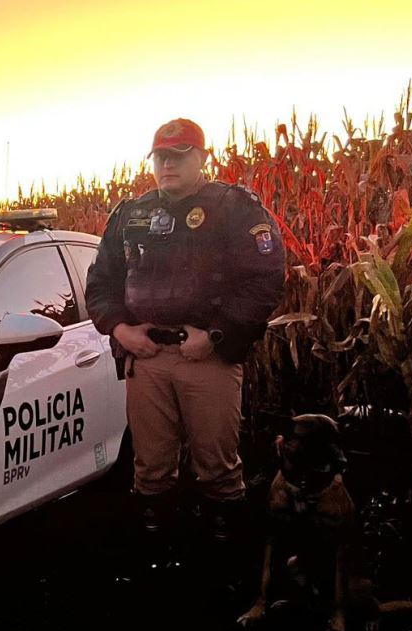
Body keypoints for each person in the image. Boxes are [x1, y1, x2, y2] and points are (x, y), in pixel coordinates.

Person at [85, 118, 286, 540]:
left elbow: (264, 279)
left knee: (217, 464)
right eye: (161, 156)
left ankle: (224, 553)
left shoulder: (233, 208)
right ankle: (160, 551)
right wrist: (121, 331)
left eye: (178, 156)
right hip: (147, 357)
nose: (167, 164)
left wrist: (214, 336)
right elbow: (101, 283)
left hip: (206, 356)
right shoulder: (131, 214)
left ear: (202, 158)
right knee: (151, 466)